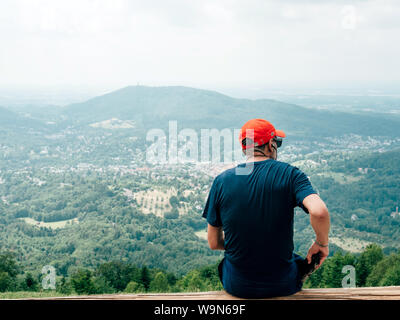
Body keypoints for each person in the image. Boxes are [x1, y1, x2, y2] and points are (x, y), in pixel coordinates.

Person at [202, 118, 330, 299]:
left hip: (237, 286)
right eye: (277, 142)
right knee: (298, 260)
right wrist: (321, 243)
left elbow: (214, 243)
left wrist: (246, 246)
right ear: (271, 144)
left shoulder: (222, 181)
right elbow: (320, 212)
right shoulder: (291, 174)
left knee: (227, 264)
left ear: (244, 148)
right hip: (284, 285)